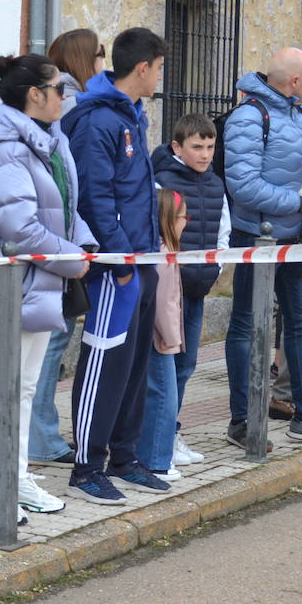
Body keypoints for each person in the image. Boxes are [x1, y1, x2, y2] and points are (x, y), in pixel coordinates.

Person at [0, 53, 94, 522]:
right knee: (3, 385)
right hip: (14, 283)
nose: (65, 96)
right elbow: (20, 228)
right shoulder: (9, 149)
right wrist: (72, 259)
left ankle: (10, 478)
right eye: (59, 88)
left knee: (24, 385)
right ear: (34, 95)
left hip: (39, 279)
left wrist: (84, 242)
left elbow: (65, 207)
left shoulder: (47, 141)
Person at [61, 27, 173, 503]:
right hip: (115, 265)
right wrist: (121, 257)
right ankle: (88, 466)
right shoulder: (97, 120)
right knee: (103, 365)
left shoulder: (132, 116)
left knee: (132, 365)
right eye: (160, 67)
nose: (161, 76)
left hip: (140, 258)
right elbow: (95, 196)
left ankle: (125, 458)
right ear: (143, 67)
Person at [223, 48, 302, 449]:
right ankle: (243, 421)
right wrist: (301, 203)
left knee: (301, 324)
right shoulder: (247, 117)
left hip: (296, 238)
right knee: (246, 325)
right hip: (256, 238)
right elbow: (242, 186)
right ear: (294, 81)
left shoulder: (298, 113)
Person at [29, 28, 106, 467]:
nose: (102, 63)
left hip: (62, 235)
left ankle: (39, 431)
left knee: (51, 341)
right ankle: (40, 437)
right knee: (52, 341)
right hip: (62, 239)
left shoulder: (65, 106)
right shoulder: (76, 104)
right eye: (98, 54)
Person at [149, 113, 228, 467]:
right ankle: (155, 435)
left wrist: (215, 267)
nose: (205, 154)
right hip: (166, 291)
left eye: (210, 147)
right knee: (162, 369)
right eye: (197, 147)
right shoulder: (161, 180)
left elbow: (223, 232)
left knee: (186, 365)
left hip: (195, 290)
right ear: (177, 147)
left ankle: (171, 430)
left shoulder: (215, 183)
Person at [137, 188, 188, 480]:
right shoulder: (163, 256)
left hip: (157, 337)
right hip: (161, 340)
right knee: (164, 398)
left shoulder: (163, 252)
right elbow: (164, 305)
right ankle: (156, 460)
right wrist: (171, 339)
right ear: (167, 220)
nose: (186, 223)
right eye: (182, 217)